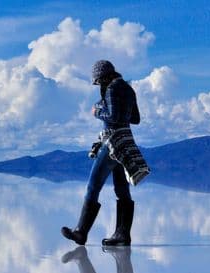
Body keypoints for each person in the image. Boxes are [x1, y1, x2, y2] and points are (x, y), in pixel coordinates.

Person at [61, 60, 140, 246]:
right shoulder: (128, 89)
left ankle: (81, 232)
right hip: (126, 143)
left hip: (112, 143)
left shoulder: (112, 88)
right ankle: (122, 235)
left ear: (102, 77)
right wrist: (120, 113)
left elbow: (112, 116)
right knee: (122, 189)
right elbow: (135, 119)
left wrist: (97, 111)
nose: (98, 85)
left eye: (97, 82)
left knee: (93, 185)